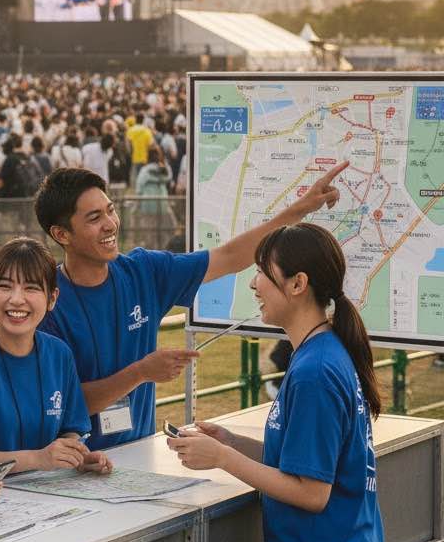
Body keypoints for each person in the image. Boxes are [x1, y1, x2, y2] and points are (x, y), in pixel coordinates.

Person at [168, 223, 383, 542]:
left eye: (264, 271)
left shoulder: (315, 372)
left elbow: (312, 491)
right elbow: (309, 458)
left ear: (298, 284)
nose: (253, 282)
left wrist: (223, 459)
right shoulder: (321, 354)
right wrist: (231, 442)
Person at [35, 162, 348, 451]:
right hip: (74, 468)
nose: (110, 224)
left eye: (110, 210)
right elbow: (61, 405)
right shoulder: (48, 305)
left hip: (139, 455)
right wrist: (141, 372)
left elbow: (228, 256)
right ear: (61, 234)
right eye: (94, 218)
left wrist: (301, 209)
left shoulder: (143, 270)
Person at [0, 238, 112, 476]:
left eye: (31, 287)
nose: (17, 299)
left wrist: (77, 456)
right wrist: (37, 458)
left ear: (52, 298)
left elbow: (71, 431)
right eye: (5, 286)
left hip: (48, 498)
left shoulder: (59, 354)